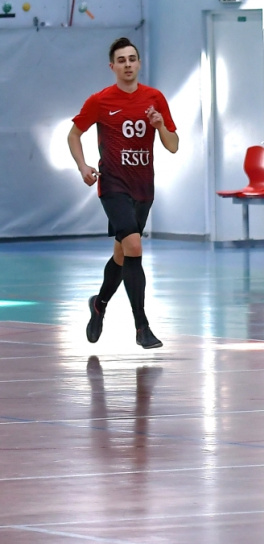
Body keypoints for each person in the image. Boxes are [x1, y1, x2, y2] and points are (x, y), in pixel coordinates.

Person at [68, 37, 178, 349]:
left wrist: (160, 126)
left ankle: (99, 304)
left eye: (132, 59)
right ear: (112, 66)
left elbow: (173, 146)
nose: (128, 64)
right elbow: (74, 134)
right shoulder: (100, 101)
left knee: (122, 253)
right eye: (121, 60)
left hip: (143, 187)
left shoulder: (154, 98)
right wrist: (83, 166)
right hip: (114, 185)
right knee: (134, 245)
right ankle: (142, 327)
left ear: (139, 63)